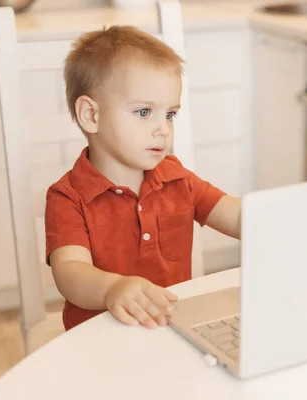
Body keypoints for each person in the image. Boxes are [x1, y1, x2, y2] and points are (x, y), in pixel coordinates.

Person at [44, 26, 241, 331]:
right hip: (99, 341)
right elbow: (70, 272)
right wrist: (112, 289)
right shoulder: (68, 197)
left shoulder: (177, 178)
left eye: (170, 114)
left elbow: (237, 216)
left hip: (172, 328)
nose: (163, 128)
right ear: (91, 116)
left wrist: (284, 222)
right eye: (144, 112)